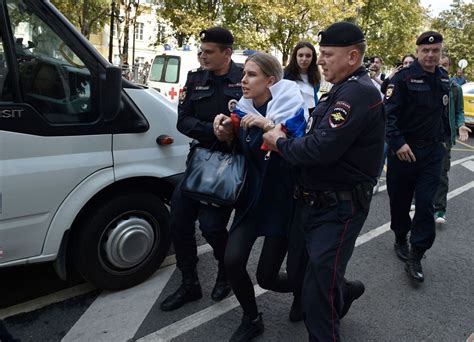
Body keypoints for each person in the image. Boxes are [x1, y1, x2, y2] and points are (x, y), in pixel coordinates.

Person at [263, 22, 385, 341]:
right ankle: (343, 289)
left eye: (328, 54)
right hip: (314, 202)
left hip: (338, 208)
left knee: (318, 296)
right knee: (311, 276)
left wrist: (280, 143)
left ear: (352, 56)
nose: (320, 60)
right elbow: (318, 135)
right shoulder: (342, 89)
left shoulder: (358, 92)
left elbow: (322, 147)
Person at [214, 52, 303, 342]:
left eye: (251, 75)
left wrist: (268, 126)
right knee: (233, 261)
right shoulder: (241, 110)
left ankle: (310, 289)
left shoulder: (292, 112)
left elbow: (298, 153)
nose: (243, 80)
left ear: (270, 80)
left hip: (280, 203)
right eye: (244, 74)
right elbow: (240, 149)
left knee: (267, 277)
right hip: (251, 201)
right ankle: (252, 318)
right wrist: (226, 131)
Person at [160, 27, 243, 312]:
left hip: (230, 165)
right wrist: (213, 131)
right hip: (199, 161)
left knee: (211, 226)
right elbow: (183, 121)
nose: (202, 56)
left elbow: (262, 116)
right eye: (201, 51)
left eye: (209, 52)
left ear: (227, 53)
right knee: (179, 221)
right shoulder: (195, 79)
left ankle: (226, 270)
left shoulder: (245, 77)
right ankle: (190, 283)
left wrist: (234, 133)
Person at [384, 31, 449, 283]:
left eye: (436, 51)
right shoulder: (402, 78)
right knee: (399, 202)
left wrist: (447, 136)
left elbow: (441, 113)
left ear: (441, 52)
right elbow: (388, 115)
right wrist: (398, 143)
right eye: (426, 51)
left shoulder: (443, 78)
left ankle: (417, 254)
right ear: (418, 51)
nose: (431, 55)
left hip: (432, 153)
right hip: (404, 153)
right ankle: (401, 236)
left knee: (425, 204)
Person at [434, 54, 471, 223]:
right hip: (425, 137)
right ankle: (415, 200)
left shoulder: (455, 87)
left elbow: (459, 111)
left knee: (442, 173)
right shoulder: (426, 84)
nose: (442, 68)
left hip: (444, 138)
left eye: (445, 65)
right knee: (419, 170)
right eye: (439, 65)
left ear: (449, 67)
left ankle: (440, 210)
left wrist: (461, 124)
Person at [374, 54, 416, 194]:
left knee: (409, 162)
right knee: (381, 155)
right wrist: (392, 74)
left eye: (411, 62)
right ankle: (376, 181)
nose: (408, 65)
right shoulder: (397, 79)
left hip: (409, 131)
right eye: (405, 63)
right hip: (392, 128)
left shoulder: (420, 79)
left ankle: (410, 192)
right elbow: (384, 88)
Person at [284, 42, 321, 113]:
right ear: (295, 57)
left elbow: (314, 97)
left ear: (313, 58)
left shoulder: (315, 76)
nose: (304, 59)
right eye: (300, 55)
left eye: (308, 56)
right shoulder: (285, 75)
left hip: (311, 115)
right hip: (292, 115)